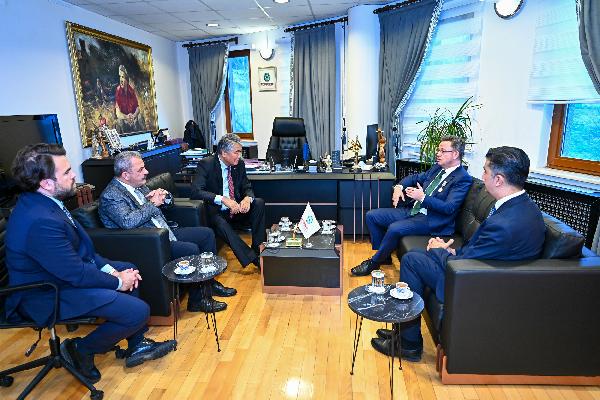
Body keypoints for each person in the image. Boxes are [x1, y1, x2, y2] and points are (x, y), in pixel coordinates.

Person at [4, 144, 175, 383]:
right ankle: (80, 350)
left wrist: (114, 272)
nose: (74, 175)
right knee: (138, 311)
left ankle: (137, 344)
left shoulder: (45, 202)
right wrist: (117, 281)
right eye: (67, 172)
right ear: (46, 183)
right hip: (45, 293)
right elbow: (75, 273)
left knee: (129, 268)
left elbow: (85, 251)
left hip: (62, 276)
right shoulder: (39, 220)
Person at [372, 146, 546, 361]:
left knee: (412, 260)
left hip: (474, 285)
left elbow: (466, 263)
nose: (482, 176)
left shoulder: (504, 224)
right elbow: (483, 250)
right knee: (416, 255)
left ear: (499, 179)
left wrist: (439, 250)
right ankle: (403, 332)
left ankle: (409, 344)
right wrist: (451, 249)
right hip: (482, 272)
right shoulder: (522, 207)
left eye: (485, 171)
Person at [98, 151, 236, 313]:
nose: (146, 172)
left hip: (166, 231)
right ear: (125, 175)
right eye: (141, 169)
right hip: (149, 242)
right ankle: (197, 301)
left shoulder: (138, 185)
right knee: (190, 249)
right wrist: (152, 204)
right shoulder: (111, 195)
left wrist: (165, 196)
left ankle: (209, 285)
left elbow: (167, 204)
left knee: (206, 234)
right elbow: (128, 222)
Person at [352, 136, 473, 276]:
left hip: (432, 220)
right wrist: (399, 187)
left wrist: (422, 197)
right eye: (438, 150)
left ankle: (374, 262)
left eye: (442, 151)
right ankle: (384, 256)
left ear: (455, 154)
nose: (438, 153)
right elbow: (414, 178)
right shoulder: (437, 169)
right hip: (414, 210)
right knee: (372, 216)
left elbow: (448, 208)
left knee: (395, 228)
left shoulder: (462, 178)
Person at [191, 133, 266, 269]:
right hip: (217, 212)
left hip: (236, 209)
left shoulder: (239, 164)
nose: (240, 156)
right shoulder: (206, 164)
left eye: (240, 152)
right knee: (219, 222)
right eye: (236, 152)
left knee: (258, 203)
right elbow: (196, 191)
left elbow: (247, 186)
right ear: (224, 153)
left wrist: (247, 198)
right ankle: (253, 258)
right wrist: (222, 199)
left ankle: (258, 249)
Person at [115, 65, 144, 133]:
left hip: (133, 118)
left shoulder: (131, 91)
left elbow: (137, 108)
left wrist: (134, 115)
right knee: (119, 122)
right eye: (120, 77)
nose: (121, 80)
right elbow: (117, 113)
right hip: (124, 119)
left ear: (127, 80)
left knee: (140, 117)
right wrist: (126, 117)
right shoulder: (118, 91)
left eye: (123, 77)